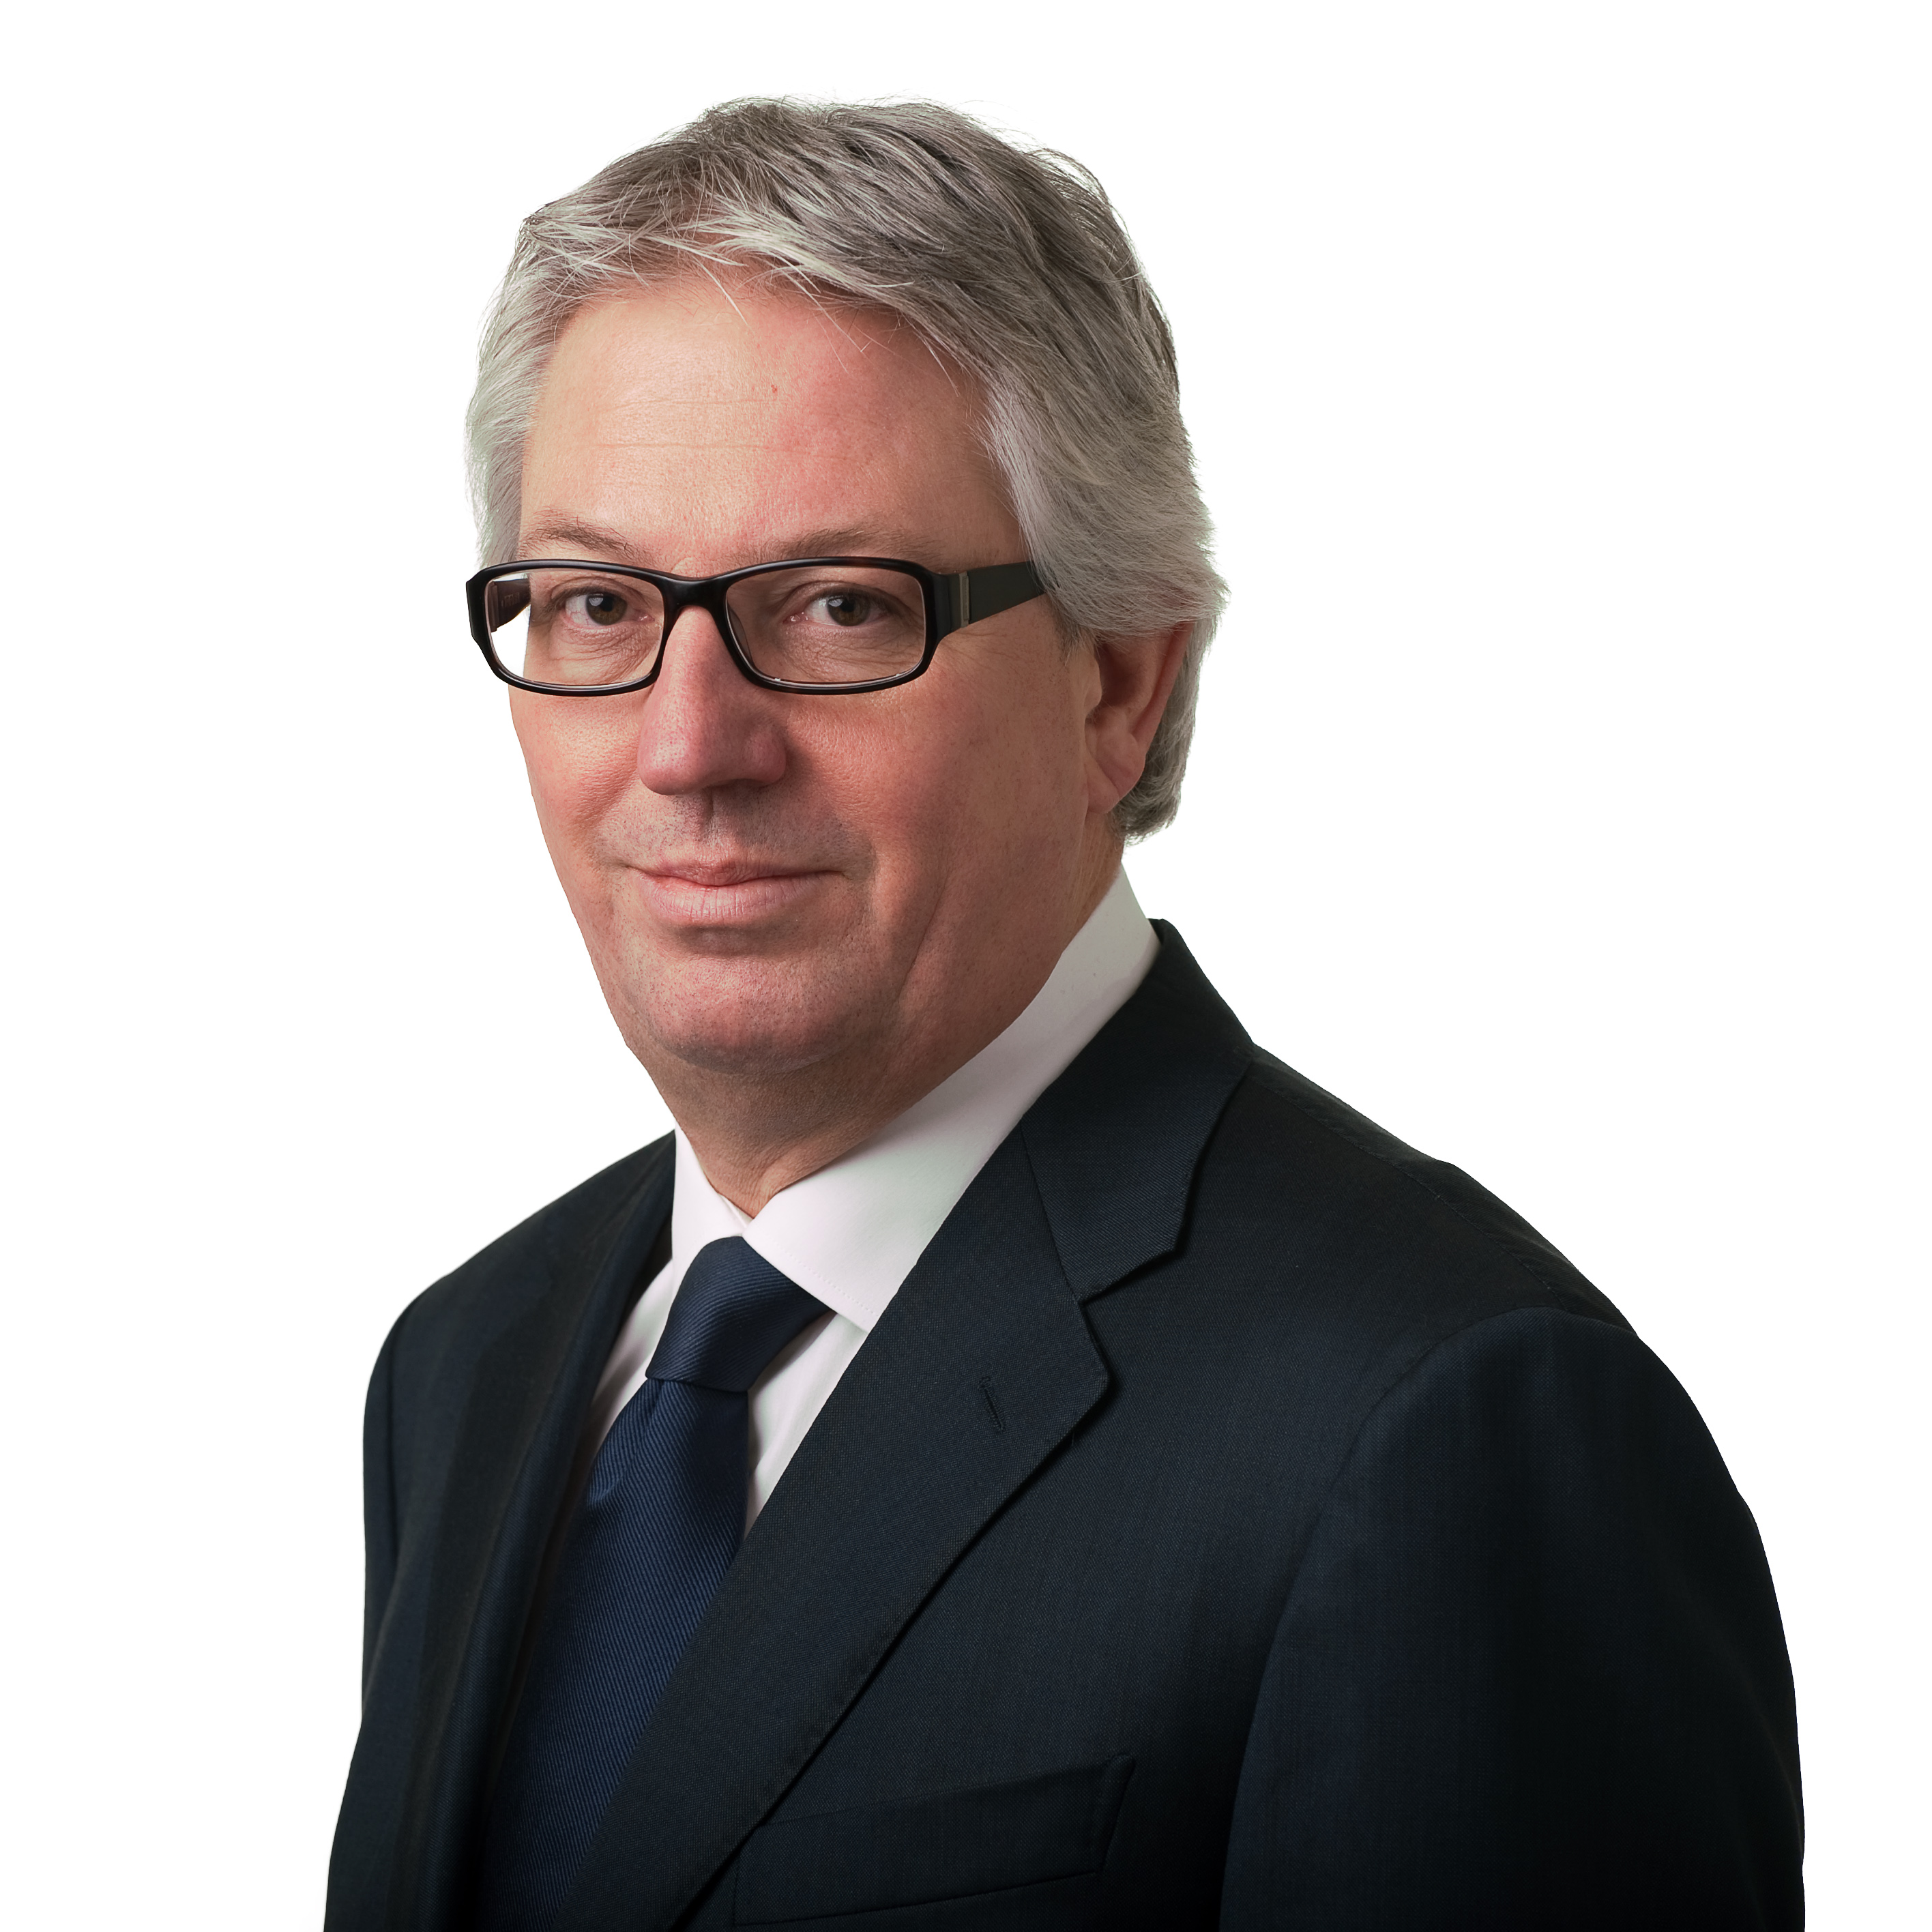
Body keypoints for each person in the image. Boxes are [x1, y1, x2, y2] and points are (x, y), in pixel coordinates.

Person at [325, 99, 1802, 1932]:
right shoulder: (467, 1365)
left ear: (1117, 682)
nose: (689, 746)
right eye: (600, 604)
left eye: (842, 607)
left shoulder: (1439, 1426)